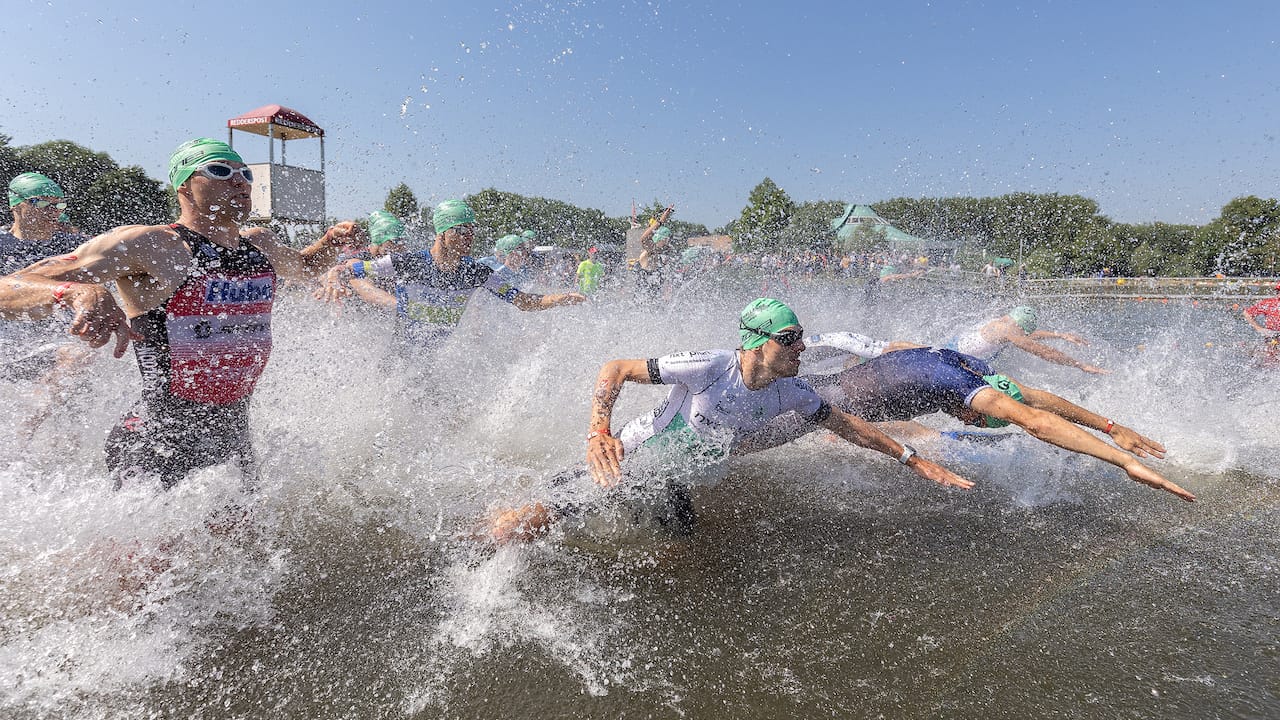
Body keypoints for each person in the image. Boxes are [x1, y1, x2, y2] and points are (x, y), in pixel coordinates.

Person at [13, 138, 362, 491]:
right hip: (157, 438)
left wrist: (332, 241)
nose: (239, 181)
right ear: (184, 184)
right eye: (220, 171)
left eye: (244, 173)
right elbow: (15, 285)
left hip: (232, 435)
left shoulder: (260, 244)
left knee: (248, 545)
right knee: (149, 548)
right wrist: (78, 291)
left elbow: (304, 266)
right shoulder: (152, 244)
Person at [487, 299, 972, 542]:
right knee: (521, 528)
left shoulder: (791, 392)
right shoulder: (712, 366)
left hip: (670, 482)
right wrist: (598, 433)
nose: (802, 346)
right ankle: (456, 546)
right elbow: (615, 370)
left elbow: (845, 425)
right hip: (628, 463)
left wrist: (913, 460)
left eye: (802, 336)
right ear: (757, 342)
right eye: (791, 337)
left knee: (688, 557)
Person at [739, 346, 1194, 503]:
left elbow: (1033, 396)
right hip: (811, 406)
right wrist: (1123, 463)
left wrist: (1111, 425)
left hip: (821, 392)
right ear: (980, 407)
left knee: (730, 421)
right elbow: (1035, 421)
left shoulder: (971, 367)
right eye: (979, 417)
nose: (969, 417)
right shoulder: (962, 386)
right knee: (732, 445)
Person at [319, 199, 586, 349]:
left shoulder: (477, 272)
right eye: (460, 230)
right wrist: (333, 278)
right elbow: (349, 268)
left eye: (471, 231)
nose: (468, 237)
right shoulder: (408, 262)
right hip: (397, 362)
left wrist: (562, 298)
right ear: (442, 233)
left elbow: (524, 302)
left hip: (433, 360)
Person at [941, 305, 1108, 374]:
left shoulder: (1000, 324)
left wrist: (1060, 335)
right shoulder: (1006, 331)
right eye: (1023, 331)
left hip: (947, 354)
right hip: (950, 365)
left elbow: (1027, 337)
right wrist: (1080, 365)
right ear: (1019, 326)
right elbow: (1042, 351)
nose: (1024, 335)